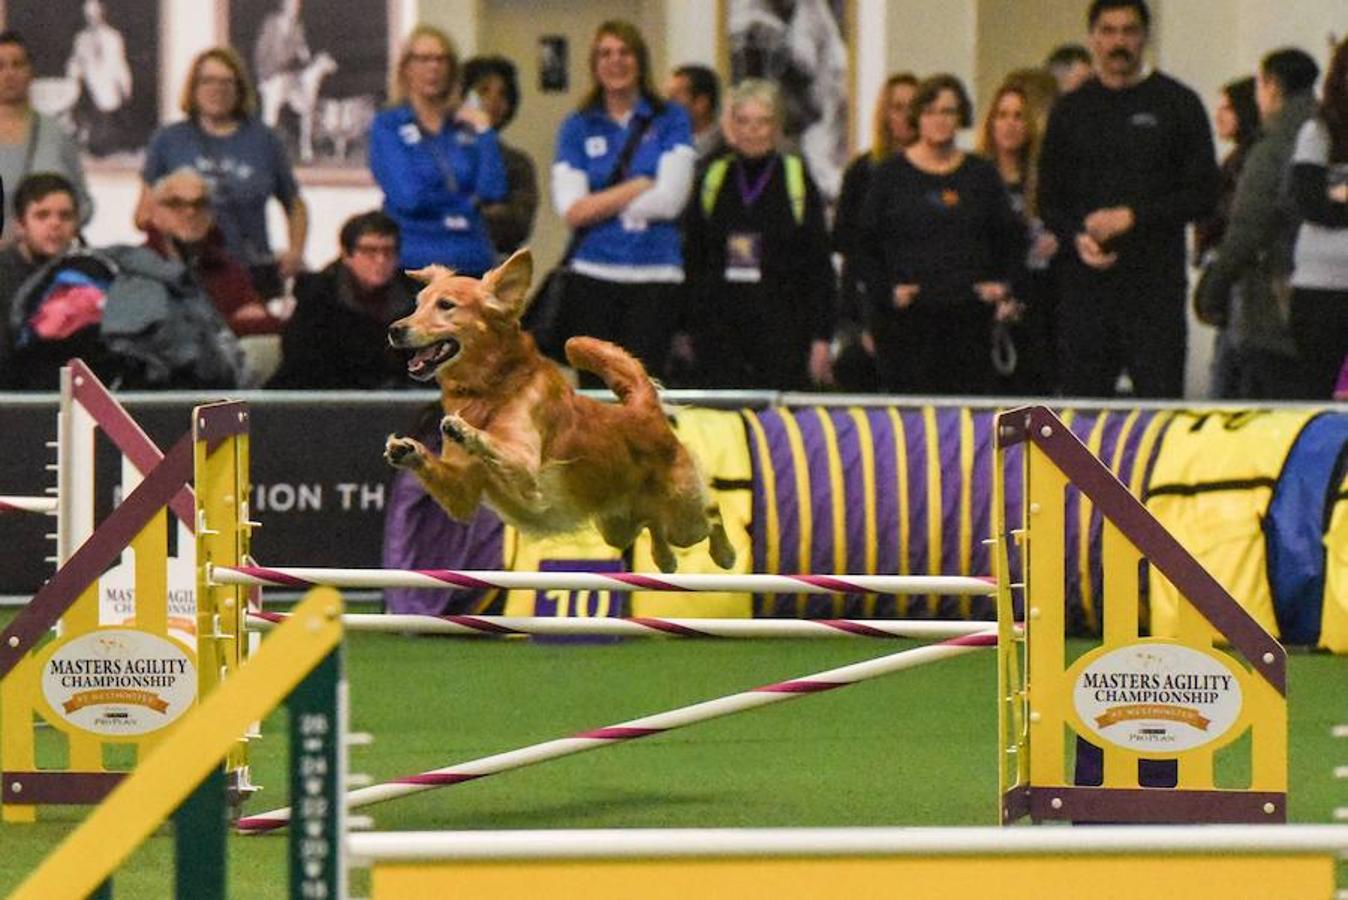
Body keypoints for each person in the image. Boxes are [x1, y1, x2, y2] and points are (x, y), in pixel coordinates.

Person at [1037, 0, 1219, 398]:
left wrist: (1134, 217)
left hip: (1154, 292)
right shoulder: (1070, 110)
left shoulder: (1178, 105)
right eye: (1108, 31)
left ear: (1144, 37)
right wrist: (1075, 238)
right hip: (1084, 292)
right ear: (1092, 39)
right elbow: (1048, 200)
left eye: (1129, 31)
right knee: (1079, 419)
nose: (1119, 42)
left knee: (1159, 411)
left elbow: (1204, 194)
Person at [859, 73, 1024, 395]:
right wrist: (885, 294)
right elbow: (865, 245)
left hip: (969, 319)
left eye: (948, 111)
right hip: (907, 322)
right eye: (931, 111)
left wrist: (1004, 287)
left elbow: (1010, 239)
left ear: (960, 116)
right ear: (918, 117)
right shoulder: (889, 175)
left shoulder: (982, 174)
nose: (940, 120)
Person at [551, 20, 694, 379]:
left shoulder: (671, 119)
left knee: (643, 391)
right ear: (594, 64)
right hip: (593, 275)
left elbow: (671, 201)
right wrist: (640, 184)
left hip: (656, 274)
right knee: (596, 395)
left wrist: (600, 204)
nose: (615, 61)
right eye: (605, 53)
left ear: (640, 60)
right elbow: (574, 210)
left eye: (624, 52)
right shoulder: (578, 125)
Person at [683, 79, 833, 390]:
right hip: (720, 331)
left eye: (762, 121)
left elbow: (819, 264)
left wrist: (821, 337)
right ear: (731, 126)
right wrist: (685, 327)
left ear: (776, 127)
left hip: (784, 329)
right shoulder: (713, 177)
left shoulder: (796, 179)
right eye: (744, 121)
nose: (752, 130)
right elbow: (693, 258)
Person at [138, 47, 308, 300]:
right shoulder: (169, 140)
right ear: (193, 88)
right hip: (184, 276)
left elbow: (295, 204)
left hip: (250, 273)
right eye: (207, 81)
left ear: (240, 88)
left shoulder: (265, 140)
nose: (216, 89)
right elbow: (143, 215)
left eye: (226, 82)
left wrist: (295, 252)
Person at [1194, 53, 1318, 400]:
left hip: (1270, 302)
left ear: (1271, 86)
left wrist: (1213, 288)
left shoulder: (1272, 149)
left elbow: (1247, 229)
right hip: (1322, 304)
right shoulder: (1327, 136)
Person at [370, 25, 505, 276]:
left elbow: (492, 190)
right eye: (423, 59)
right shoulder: (388, 125)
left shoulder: (466, 125)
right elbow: (408, 198)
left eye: (441, 60)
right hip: (416, 261)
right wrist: (466, 204)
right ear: (407, 68)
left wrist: (486, 133)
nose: (433, 67)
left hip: (472, 259)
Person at [832, 72, 919, 389]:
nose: (906, 116)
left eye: (913, 107)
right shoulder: (863, 170)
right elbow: (847, 240)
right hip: (867, 295)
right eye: (897, 107)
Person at [268, 211, 415, 389]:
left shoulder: (415, 298)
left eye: (388, 251)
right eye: (369, 251)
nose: (380, 260)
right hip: (322, 397)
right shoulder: (317, 296)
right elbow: (302, 361)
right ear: (347, 255)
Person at [977, 78, 1060, 394]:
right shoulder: (977, 180)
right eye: (1002, 115)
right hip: (987, 311)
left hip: (1038, 314)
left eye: (1018, 116)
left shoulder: (1045, 185)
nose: (1010, 124)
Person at [1287, 37, 1348, 399]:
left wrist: (1338, 194)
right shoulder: (1318, 133)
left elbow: (1328, 203)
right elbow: (1311, 204)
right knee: (1314, 394)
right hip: (1320, 287)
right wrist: (1332, 201)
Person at [0, 32, 92, 238]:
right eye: (0, 66)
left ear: (31, 71)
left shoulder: (56, 133)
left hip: (47, 261)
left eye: (18, 64)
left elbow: (83, 204)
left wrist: (56, 228)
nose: (9, 74)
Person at [0, 173, 80, 387]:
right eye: (42, 215)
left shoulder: (87, 278)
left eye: (65, 216)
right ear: (20, 224)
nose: (55, 224)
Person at [461, 55, 538, 258]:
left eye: (503, 94)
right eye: (483, 91)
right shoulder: (440, 153)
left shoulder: (517, 163)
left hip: (493, 271)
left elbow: (516, 227)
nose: (493, 101)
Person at [65, 0, 132, 157]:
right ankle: (91, 148)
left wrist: (125, 84)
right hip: (89, 85)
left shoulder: (113, 37)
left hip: (107, 85)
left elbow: (120, 62)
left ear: (102, 14)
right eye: (88, 15)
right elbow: (76, 61)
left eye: (95, 14)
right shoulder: (81, 38)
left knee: (107, 120)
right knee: (89, 120)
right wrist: (72, 79)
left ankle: (106, 150)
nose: (92, 18)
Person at [667, 64, 726, 164]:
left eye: (674, 97)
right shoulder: (664, 142)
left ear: (701, 103)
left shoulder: (728, 146)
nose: (667, 104)